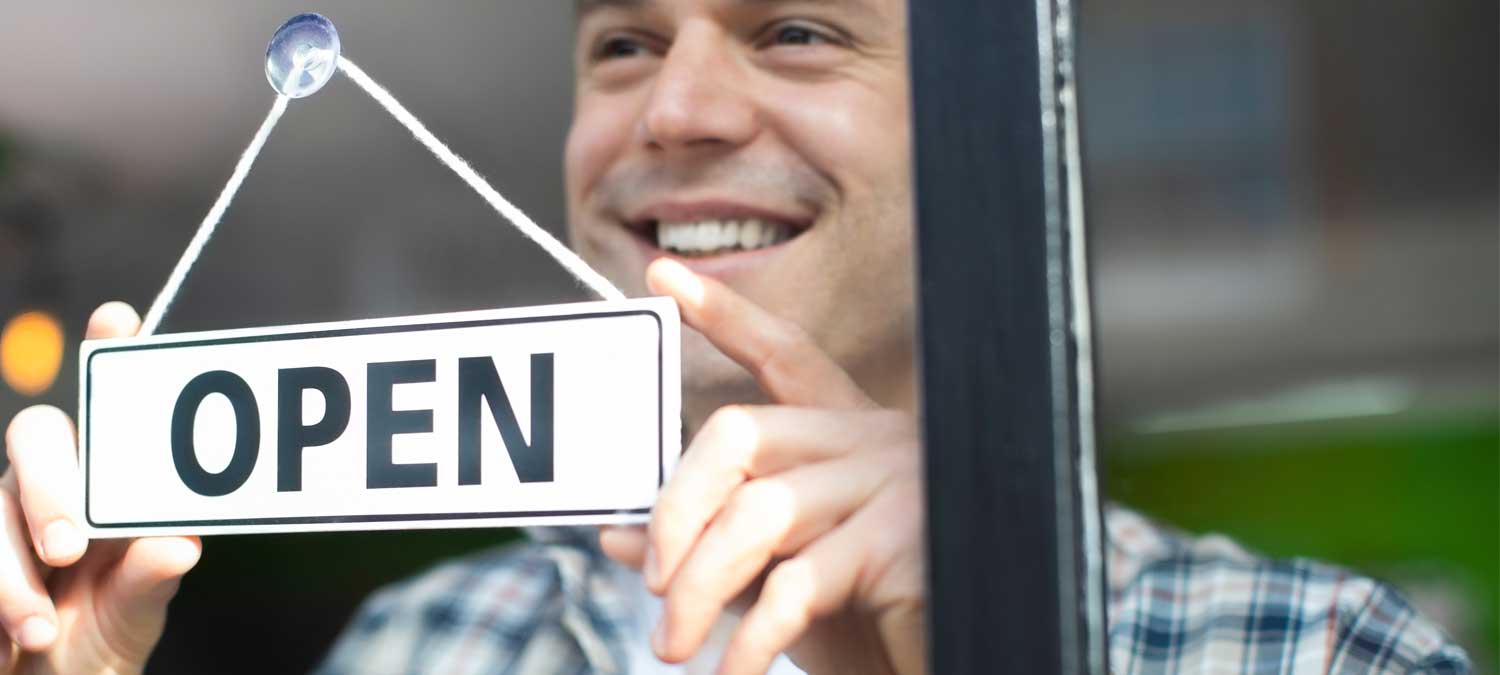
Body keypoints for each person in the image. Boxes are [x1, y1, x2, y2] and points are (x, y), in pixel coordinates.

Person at [0, 0, 1473, 673]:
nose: (679, 110)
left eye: (796, 32)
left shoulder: (1322, 653)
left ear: (982, 128)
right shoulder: (419, 647)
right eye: (625, 43)